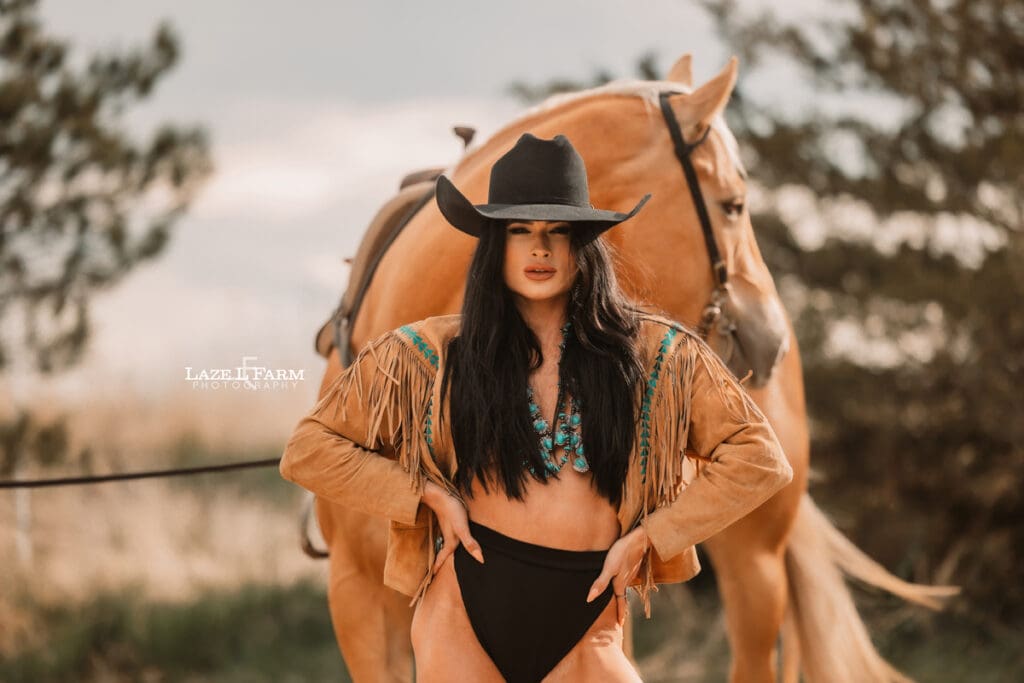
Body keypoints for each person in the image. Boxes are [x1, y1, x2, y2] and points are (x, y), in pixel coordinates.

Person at [280, 133, 793, 682]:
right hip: (463, 608)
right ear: (494, 246)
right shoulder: (428, 355)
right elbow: (308, 450)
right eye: (519, 231)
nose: (539, 249)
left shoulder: (656, 357)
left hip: (590, 614)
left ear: (584, 246)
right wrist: (421, 494)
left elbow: (761, 459)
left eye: (558, 232)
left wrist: (655, 534)